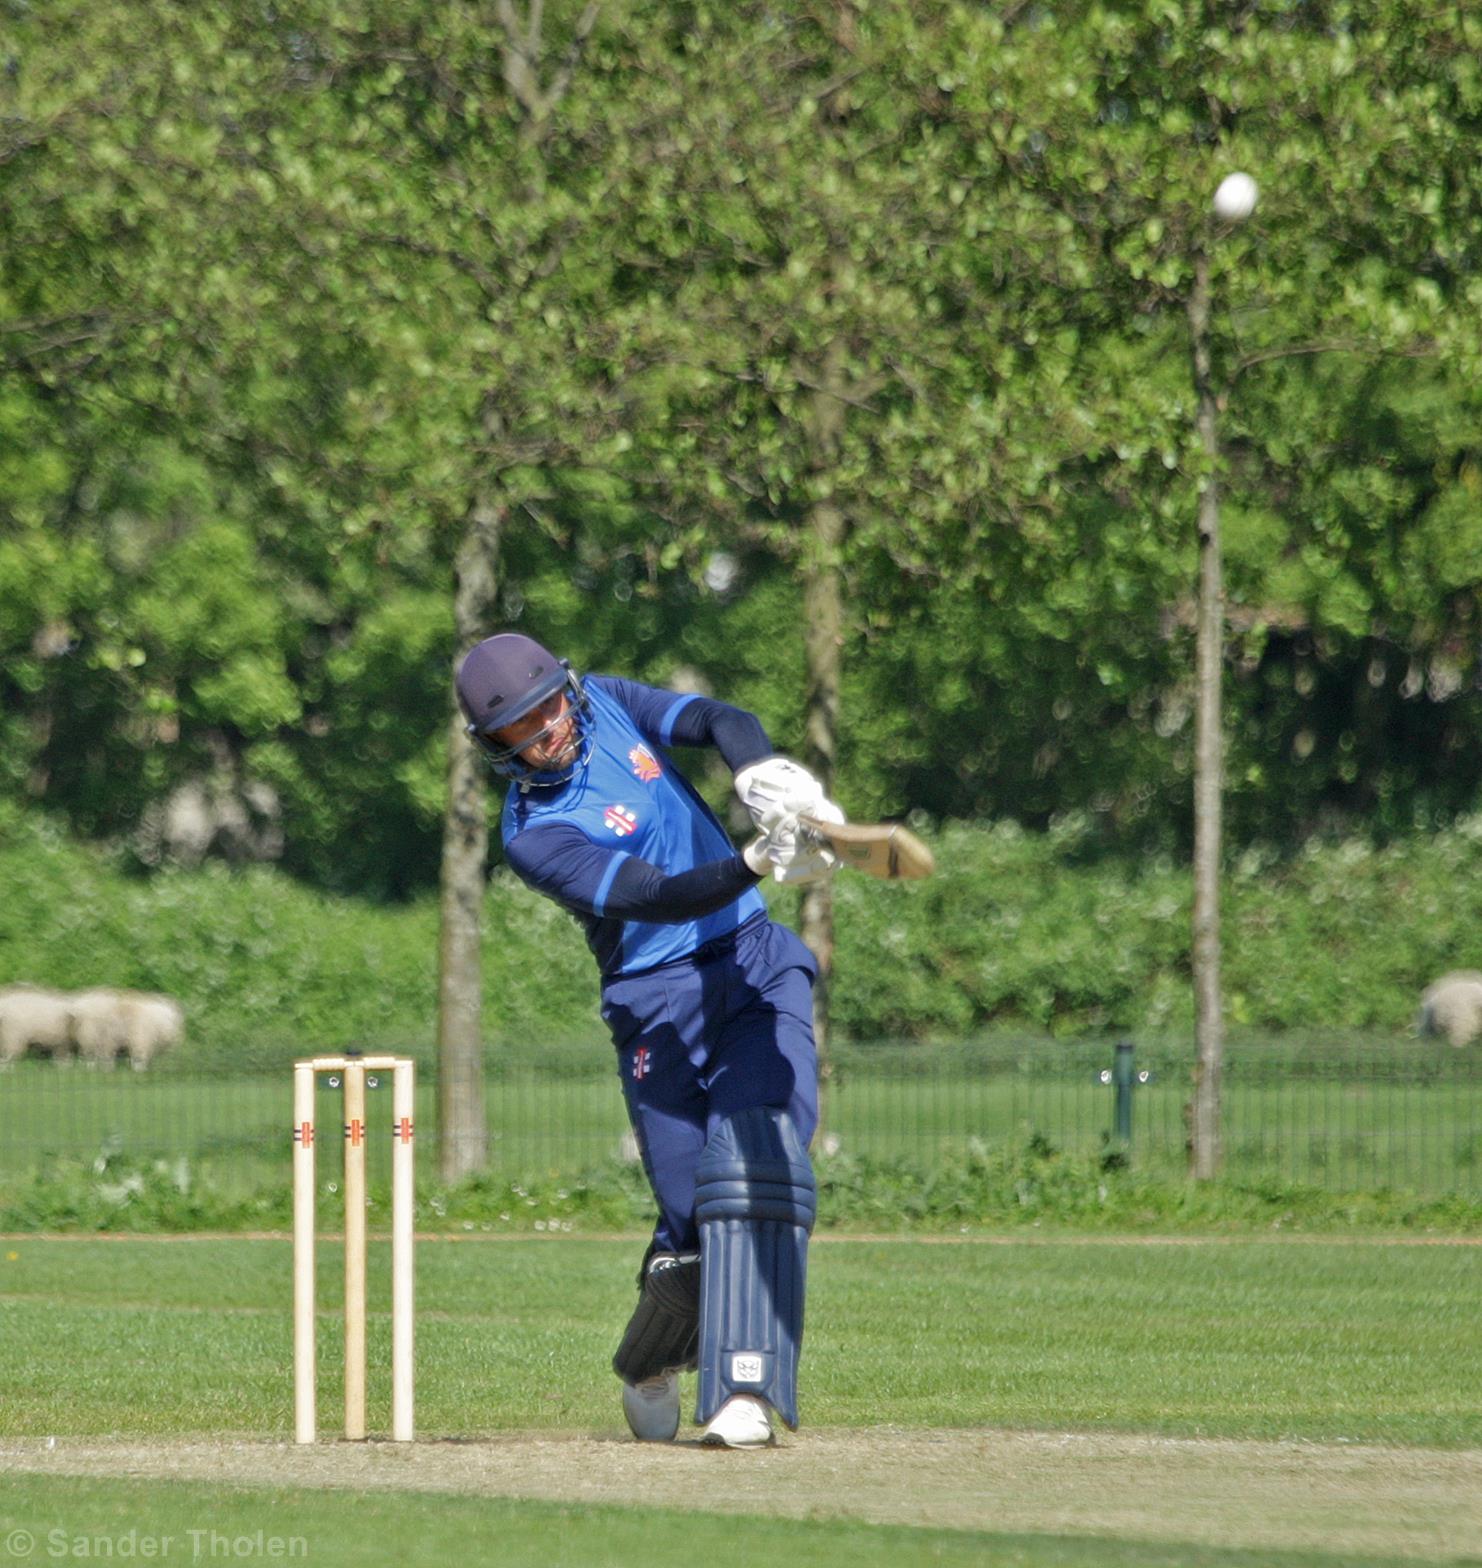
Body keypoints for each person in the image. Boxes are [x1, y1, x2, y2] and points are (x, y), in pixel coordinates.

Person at [455, 631, 844, 1449]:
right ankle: (649, 1359)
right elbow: (658, 895)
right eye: (518, 728)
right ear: (494, 746)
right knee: (693, 1217)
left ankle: (744, 1387)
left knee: (760, 1164)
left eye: (547, 709)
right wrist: (756, 858)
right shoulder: (533, 835)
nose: (544, 732)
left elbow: (717, 718)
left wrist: (760, 776)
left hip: (752, 960)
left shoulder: (607, 701)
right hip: (656, 1002)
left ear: (567, 689)